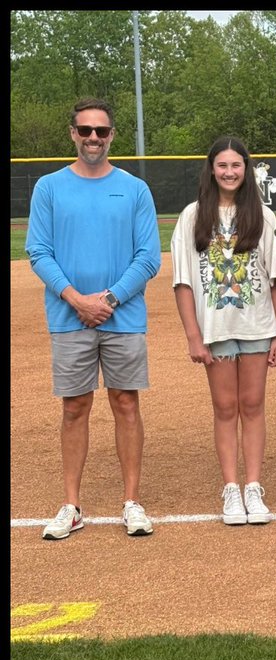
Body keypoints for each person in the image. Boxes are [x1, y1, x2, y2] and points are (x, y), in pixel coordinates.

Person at [26, 97, 161, 539]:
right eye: (85, 131)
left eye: (101, 132)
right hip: (69, 317)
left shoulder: (135, 188)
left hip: (123, 316)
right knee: (74, 407)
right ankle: (71, 505)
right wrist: (77, 300)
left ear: (112, 136)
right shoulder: (49, 187)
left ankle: (132, 502)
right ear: (72, 134)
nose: (93, 139)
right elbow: (38, 251)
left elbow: (148, 257)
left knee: (125, 403)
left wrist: (110, 299)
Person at [170, 136, 276, 526]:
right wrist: (192, 335)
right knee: (225, 408)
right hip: (215, 328)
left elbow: (274, 281)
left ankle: (253, 486)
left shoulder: (263, 216)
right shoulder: (192, 216)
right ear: (212, 169)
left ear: (246, 169)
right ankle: (231, 488)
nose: (230, 172)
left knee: (252, 406)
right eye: (223, 165)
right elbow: (183, 282)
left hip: (256, 325)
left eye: (237, 165)